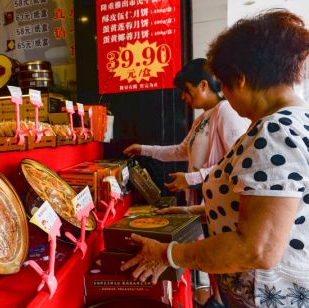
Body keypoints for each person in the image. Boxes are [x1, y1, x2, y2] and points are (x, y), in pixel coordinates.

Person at [121, 9, 309, 308]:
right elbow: (261, 204)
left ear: (241, 80)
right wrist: (198, 212)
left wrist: (167, 253)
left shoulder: (273, 131)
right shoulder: (296, 120)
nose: (227, 98)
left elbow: (256, 248)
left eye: (224, 85)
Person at [123, 58, 250, 206]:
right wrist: (144, 150)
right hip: (204, 201)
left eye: (186, 90)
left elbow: (236, 163)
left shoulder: (226, 111)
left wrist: (191, 179)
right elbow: (180, 151)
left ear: (203, 85)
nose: (183, 97)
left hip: (221, 205)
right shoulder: (202, 118)